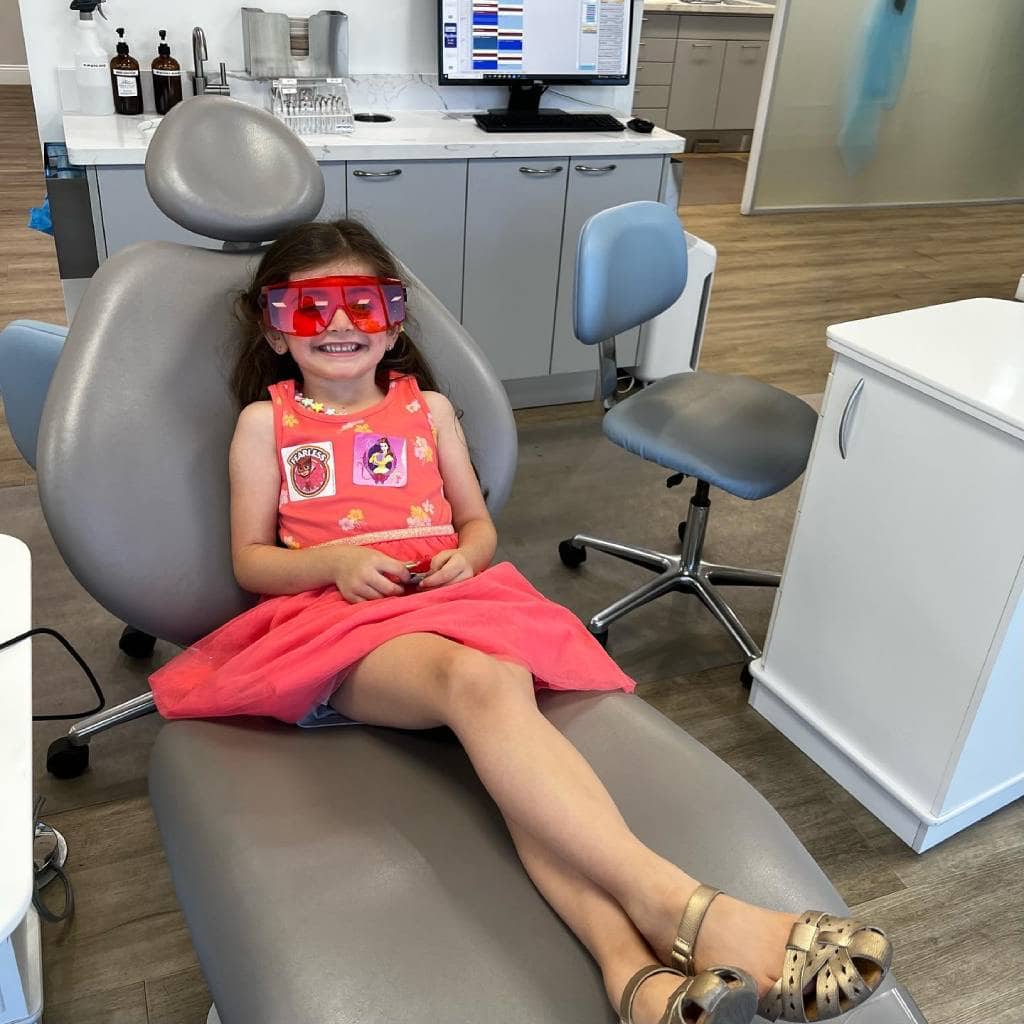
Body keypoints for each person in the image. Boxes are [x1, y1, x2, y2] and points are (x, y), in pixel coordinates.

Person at [150, 219, 892, 1024]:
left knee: (510, 745)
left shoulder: (425, 409)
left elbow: (477, 524)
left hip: (451, 599)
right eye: (308, 308)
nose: (337, 325)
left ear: (394, 322)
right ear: (271, 325)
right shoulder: (268, 424)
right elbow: (251, 562)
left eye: (362, 305)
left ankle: (636, 982)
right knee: (476, 680)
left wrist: (467, 555)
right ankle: (690, 907)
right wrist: (332, 564)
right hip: (332, 624)